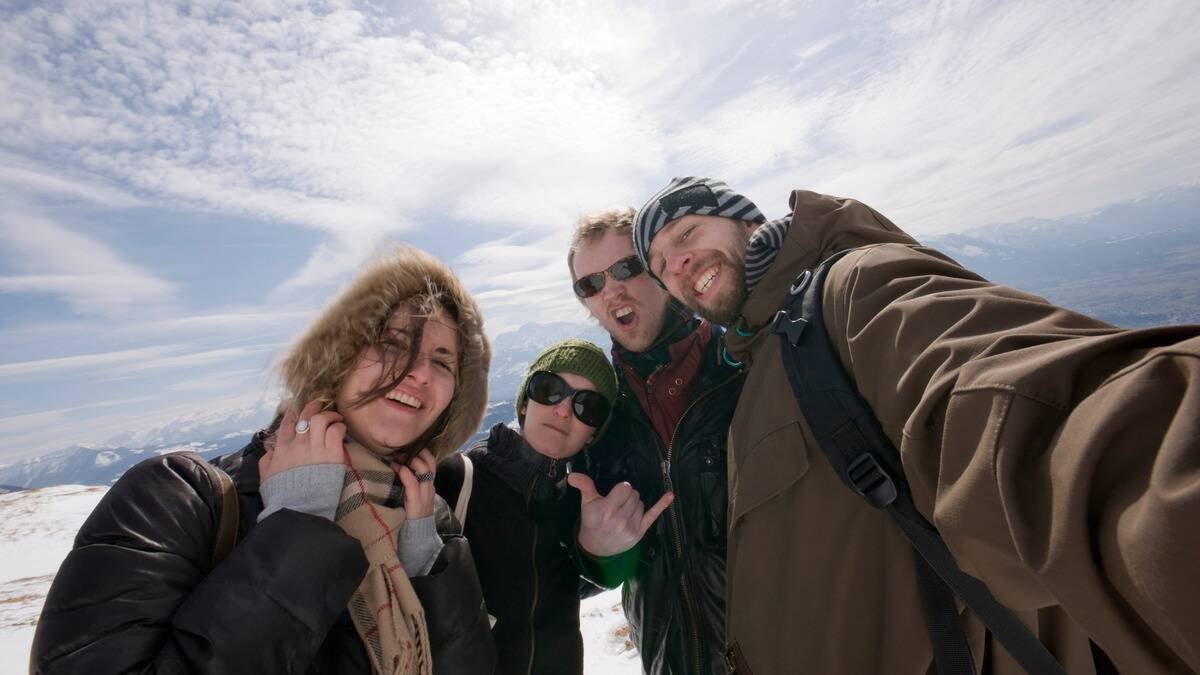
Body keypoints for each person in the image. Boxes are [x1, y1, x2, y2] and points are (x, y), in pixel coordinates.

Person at [631, 176, 1200, 674]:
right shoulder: (765, 357)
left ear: (746, 221)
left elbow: (1033, 423)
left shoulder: (851, 290)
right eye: (659, 266)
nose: (676, 265)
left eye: (685, 234)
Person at [30, 244, 497, 675]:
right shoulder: (177, 503)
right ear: (338, 356)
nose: (418, 373)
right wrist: (297, 533)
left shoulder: (428, 517)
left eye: (442, 361)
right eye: (394, 343)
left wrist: (425, 567)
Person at [563, 208, 744, 675]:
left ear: (659, 267)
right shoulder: (596, 416)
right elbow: (577, 578)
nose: (611, 290)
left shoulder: (745, 367)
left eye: (625, 268)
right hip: (669, 661)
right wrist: (596, 553)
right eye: (590, 284)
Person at [435, 339, 617, 675]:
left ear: (593, 434)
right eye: (549, 389)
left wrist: (601, 556)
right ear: (524, 403)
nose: (563, 410)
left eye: (587, 407)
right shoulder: (455, 481)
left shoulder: (577, 505)